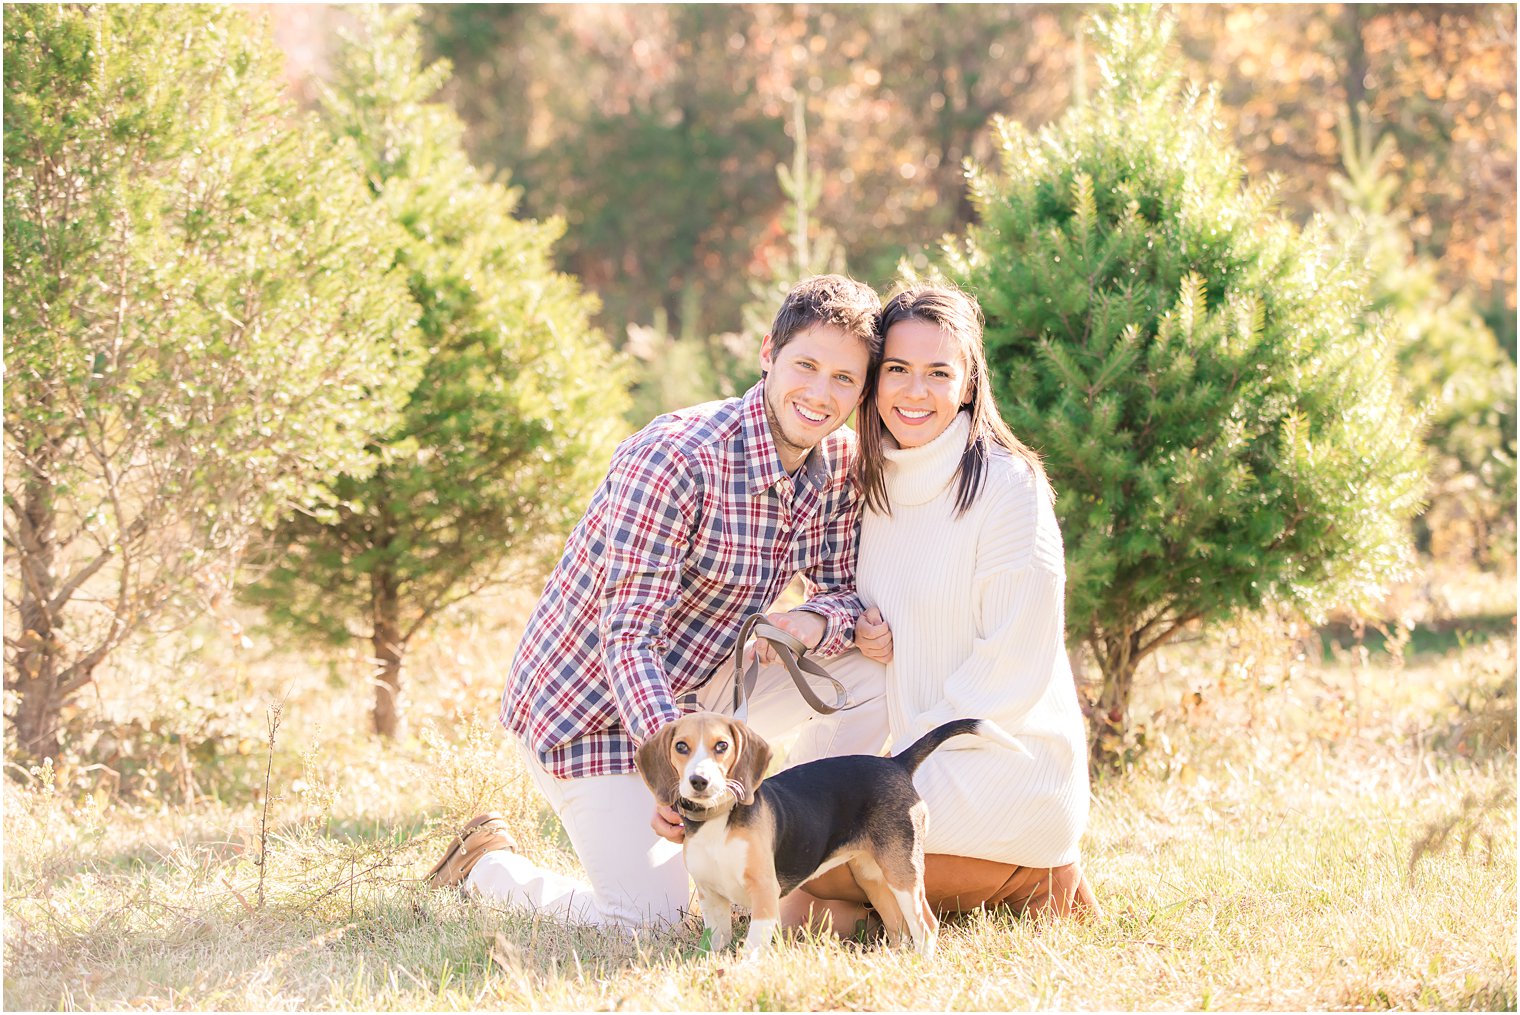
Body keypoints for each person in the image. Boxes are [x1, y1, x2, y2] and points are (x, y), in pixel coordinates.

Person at [425, 274, 890, 930]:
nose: (820, 394)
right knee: (657, 922)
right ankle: (484, 868)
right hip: (591, 710)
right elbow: (630, 638)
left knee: (870, 676)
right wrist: (676, 775)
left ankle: (783, 860)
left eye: (844, 379)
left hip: (704, 685)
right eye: (806, 366)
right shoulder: (677, 457)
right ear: (768, 353)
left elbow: (839, 589)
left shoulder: (832, 464)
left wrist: (811, 620)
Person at [782, 284, 1098, 931]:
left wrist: (888, 772)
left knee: (786, 864)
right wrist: (871, 634)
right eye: (897, 369)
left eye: (938, 373)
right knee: (776, 890)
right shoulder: (873, 485)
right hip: (918, 766)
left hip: (1004, 766)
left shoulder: (1009, 488)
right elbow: (893, 612)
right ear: (874, 381)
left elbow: (1010, 671)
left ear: (969, 383)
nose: (914, 392)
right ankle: (953, 906)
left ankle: (1036, 877)